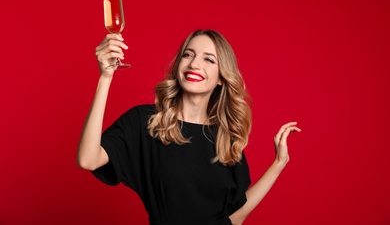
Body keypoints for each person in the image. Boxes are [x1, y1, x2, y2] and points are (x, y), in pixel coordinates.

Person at [77, 29, 301, 225]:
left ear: (222, 78)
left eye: (209, 60)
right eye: (188, 54)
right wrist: (105, 77)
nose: (195, 64)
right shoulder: (146, 121)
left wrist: (279, 164)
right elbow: (88, 159)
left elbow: (235, 218)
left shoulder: (225, 137)